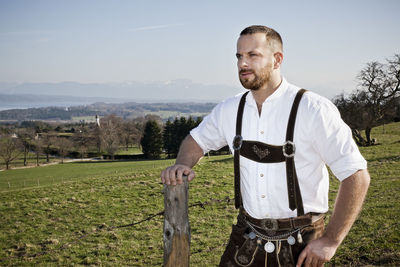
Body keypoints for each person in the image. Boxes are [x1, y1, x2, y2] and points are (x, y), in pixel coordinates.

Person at [160, 25, 370, 267]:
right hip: (246, 237)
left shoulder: (313, 109)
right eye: (239, 56)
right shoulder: (230, 109)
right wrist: (182, 164)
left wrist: (332, 240)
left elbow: (356, 175)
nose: (242, 63)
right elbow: (195, 140)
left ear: (277, 59)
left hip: (301, 243)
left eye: (253, 55)